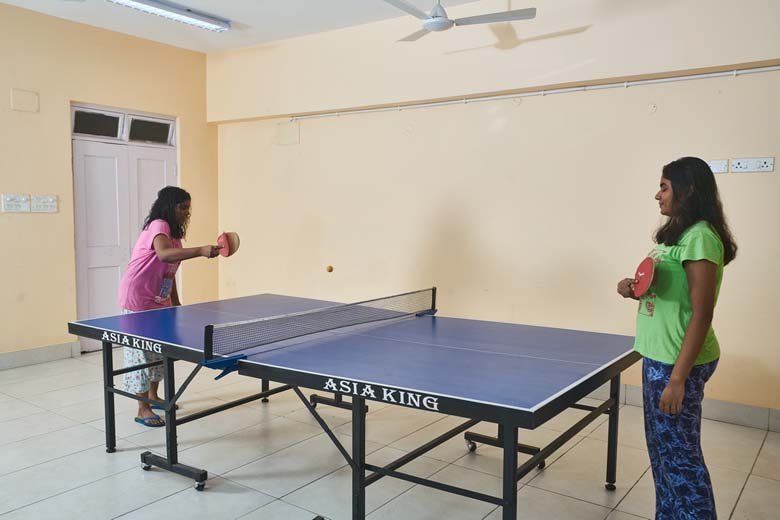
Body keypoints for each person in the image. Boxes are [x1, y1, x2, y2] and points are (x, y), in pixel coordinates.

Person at [617, 157, 737, 519]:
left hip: (676, 363)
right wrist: (633, 289)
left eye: (664, 187)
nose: (658, 195)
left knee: (681, 460)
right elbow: (669, 292)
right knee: (662, 455)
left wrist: (678, 380)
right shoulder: (677, 235)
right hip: (658, 357)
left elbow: (702, 313)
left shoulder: (700, 237)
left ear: (688, 191)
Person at [118, 186, 220, 427]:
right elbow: (164, 255)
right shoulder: (159, 225)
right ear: (169, 206)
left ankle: (153, 397)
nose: (186, 212)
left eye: (188, 208)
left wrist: (175, 302)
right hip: (138, 298)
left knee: (158, 351)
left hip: (159, 300)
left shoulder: (174, 235)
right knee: (141, 353)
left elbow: (169, 272)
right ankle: (142, 408)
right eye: (182, 207)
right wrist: (201, 251)